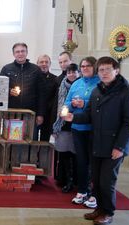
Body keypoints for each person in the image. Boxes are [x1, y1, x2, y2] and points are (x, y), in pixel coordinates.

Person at [63, 56, 129, 225]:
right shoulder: (98, 90)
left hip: (114, 145)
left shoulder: (127, 92)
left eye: (107, 69)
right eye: (101, 70)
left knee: (107, 181)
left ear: (116, 70)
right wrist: (73, 117)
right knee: (96, 180)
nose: (103, 73)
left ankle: (108, 212)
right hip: (97, 142)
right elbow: (88, 115)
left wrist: (120, 146)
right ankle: (99, 209)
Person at [64, 56, 100, 208]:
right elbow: (66, 103)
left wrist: (84, 103)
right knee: (81, 161)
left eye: (88, 66)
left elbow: (100, 104)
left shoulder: (100, 84)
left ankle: (94, 194)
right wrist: (69, 107)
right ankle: (83, 191)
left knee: (94, 162)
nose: (85, 68)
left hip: (93, 129)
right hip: (77, 128)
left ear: (95, 67)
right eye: (83, 66)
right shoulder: (76, 84)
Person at [0, 43, 45, 140]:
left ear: (27, 52)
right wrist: (9, 91)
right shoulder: (6, 69)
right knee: (12, 141)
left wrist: (40, 114)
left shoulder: (36, 69)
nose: (20, 54)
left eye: (22, 51)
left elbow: (42, 93)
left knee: (30, 141)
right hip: (12, 113)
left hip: (30, 113)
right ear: (14, 54)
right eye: (17, 51)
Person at [52, 63, 80, 193]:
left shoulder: (81, 86)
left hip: (78, 124)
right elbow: (56, 105)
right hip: (63, 124)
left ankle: (76, 180)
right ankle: (66, 180)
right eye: (69, 72)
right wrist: (56, 124)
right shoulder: (61, 84)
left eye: (74, 72)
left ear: (78, 73)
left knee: (76, 155)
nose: (71, 74)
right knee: (63, 154)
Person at [53, 51, 73, 184]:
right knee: (61, 152)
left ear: (71, 61)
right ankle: (61, 178)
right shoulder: (57, 80)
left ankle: (72, 180)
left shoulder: (79, 79)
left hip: (75, 120)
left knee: (73, 153)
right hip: (61, 121)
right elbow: (55, 103)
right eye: (60, 62)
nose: (63, 64)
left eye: (65, 61)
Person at [36, 54, 57, 141]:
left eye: (46, 62)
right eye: (41, 62)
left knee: (45, 141)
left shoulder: (55, 79)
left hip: (48, 115)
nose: (44, 64)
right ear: (37, 64)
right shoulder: (33, 77)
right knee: (32, 139)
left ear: (50, 64)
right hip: (34, 114)